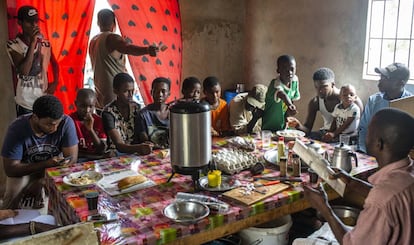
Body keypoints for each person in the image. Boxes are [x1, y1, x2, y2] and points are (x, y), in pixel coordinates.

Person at [304, 108, 414, 244]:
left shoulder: (380, 199)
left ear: (379, 143)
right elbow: (395, 200)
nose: (365, 135)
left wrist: (325, 209)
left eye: (369, 132)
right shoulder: (408, 173)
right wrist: (353, 183)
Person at [1, 95, 78, 209]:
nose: (55, 128)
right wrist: (46, 164)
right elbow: (11, 169)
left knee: (68, 193)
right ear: (35, 117)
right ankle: (7, 223)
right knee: (13, 193)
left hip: (53, 169)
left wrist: (43, 180)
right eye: (49, 124)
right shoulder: (17, 128)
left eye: (57, 123)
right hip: (24, 170)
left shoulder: (66, 123)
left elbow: (71, 160)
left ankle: (52, 221)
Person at [89, 9, 166, 108]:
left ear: (98, 23)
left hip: (100, 91)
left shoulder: (93, 41)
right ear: (114, 23)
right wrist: (147, 50)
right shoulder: (112, 38)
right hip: (116, 93)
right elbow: (128, 48)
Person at [7, 5, 59, 116]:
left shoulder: (45, 43)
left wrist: (55, 82)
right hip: (25, 102)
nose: (34, 25)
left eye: (36, 21)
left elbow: (54, 63)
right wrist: (33, 43)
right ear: (20, 23)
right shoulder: (13, 45)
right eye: (29, 22)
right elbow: (24, 71)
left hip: (43, 98)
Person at [287, 67, 363, 140]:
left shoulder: (353, 101)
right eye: (316, 87)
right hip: (326, 133)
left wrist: (336, 136)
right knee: (303, 143)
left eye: (323, 87)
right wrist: (297, 125)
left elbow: (361, 130)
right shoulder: (315, 102)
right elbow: (307, 131)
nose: (319, 91)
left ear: (332, 84)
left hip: (345, 137)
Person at [358, 62, 412, 153]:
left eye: (386, 78)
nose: (380, 80)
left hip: (399, 156)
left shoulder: (410, 104)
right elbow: (363, 128)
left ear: (400, 83)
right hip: (373, 153)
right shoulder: (374, 101)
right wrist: (363, 151)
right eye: (381, 77)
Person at [101, 73, 152, 155]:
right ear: (115, 91)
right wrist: (139, 148)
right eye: (126, 91)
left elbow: (142, 133)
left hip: (136, 150)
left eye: (132, 91)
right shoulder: (108, 113)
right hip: (116, 153)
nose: (130, 95)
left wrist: (147, 143)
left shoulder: (137, 108)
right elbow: (119, 145)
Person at [262, 55, 300, 131]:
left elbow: (292, 98)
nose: (289, 72)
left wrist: (287, 116)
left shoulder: (295, 80)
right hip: (270, 125)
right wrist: (290, 105)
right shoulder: (275, 84)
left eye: (292, 69)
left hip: (283, 126)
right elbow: (282, 95)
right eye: (285, 69)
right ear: (278, 70)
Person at [69, 89, 107, 161]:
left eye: (91, 106)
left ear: (95, 105)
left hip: (96, 160)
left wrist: (90, 130)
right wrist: (95, 157)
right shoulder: (70, 121)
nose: (87, 110)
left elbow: (101, 150)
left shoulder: (99, 121)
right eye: (83, 106)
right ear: (76, 104)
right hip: (78, 160)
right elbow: (71, 154)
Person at [135, 77, 170, 148]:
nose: (160, 94)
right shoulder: (143, 115)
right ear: (151, 92)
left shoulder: (174, 113)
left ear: (169, 93)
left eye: (163, 91)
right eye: (156, 91)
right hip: (151, 153)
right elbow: (145, 141)